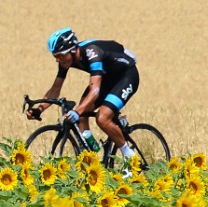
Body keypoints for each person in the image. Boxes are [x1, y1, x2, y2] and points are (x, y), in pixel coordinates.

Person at [26, 28, 140, 164]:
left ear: (73, 50)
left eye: (60, 56)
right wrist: (40, 109)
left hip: (126, 76)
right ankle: (93, 154)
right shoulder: (65, 60)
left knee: (102, 118)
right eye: (55, 56)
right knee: (82, 114)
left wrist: (77, 111)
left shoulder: (93, 54)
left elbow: (95, 90)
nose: (58, 60)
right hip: (107, 78)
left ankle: (129, 156)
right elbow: (55, 89)